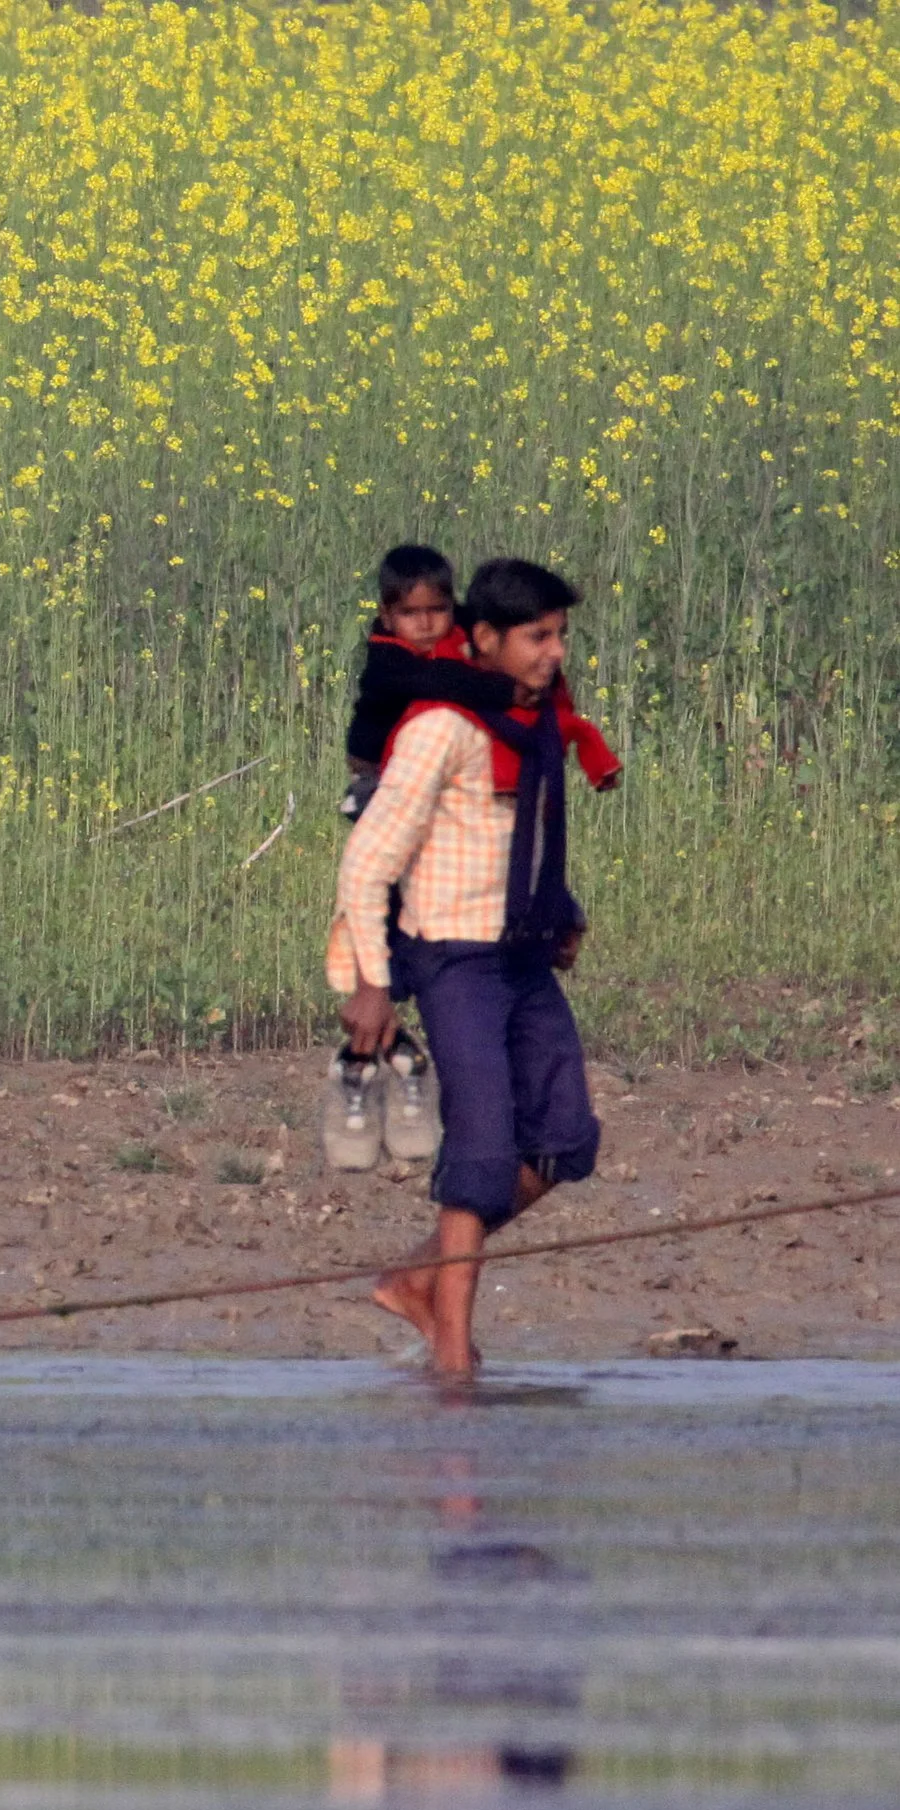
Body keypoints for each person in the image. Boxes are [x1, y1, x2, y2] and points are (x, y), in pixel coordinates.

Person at [327, 558, 603, 1377]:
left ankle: (418, 1280)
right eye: (536, 637)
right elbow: (367, 861)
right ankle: (454, 1364)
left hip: (523, 957)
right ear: (483, 639)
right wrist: (373, 982)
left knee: (565, 1139)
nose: (554, 652)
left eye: (559, 635)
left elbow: (533, 839)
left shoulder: (542, 719)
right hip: (455, 961)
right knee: (482, 1148)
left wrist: (565, 911)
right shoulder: (440, 727)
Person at [341, 544, 619, 822]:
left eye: (438, 609)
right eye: (409, 613)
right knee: (381, 809)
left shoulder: (459, 624)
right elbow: (446, 680)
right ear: (386, 616)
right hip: (371, 754)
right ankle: (363, 799)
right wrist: (507, 691)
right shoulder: (388, 659)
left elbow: (482, 621)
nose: (426, 623)